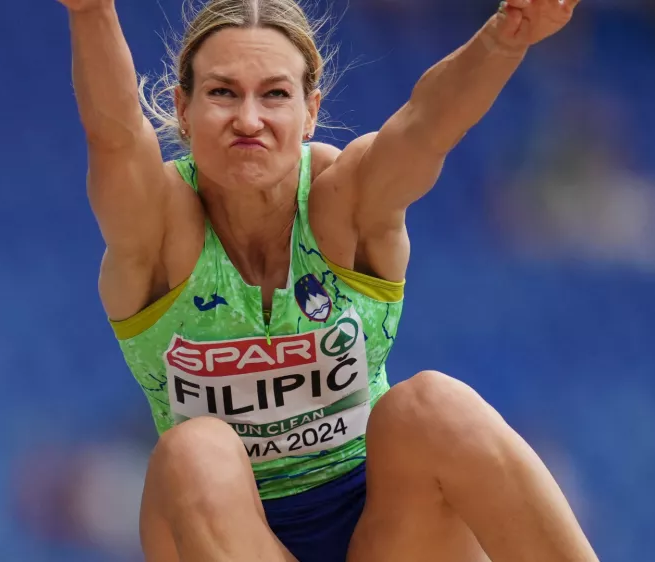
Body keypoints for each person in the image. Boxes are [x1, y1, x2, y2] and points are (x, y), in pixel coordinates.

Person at [57, 0, 599, 559]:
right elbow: (115, 138)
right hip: (226, 532)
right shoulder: (159, 230)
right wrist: (91, 11)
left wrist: (507, 36)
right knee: (193, 453)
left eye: (274, 94)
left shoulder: (344, 204)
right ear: (184, 109)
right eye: (222, 93)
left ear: (311, 110)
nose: (249, 119)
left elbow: (426, 127)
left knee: (433, 406)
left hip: (386, 533)